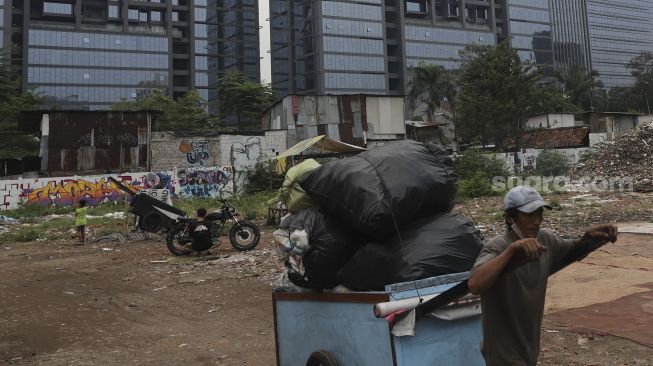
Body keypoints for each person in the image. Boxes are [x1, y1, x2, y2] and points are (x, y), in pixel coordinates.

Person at [468, 186, 618, 366]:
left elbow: (570, 251)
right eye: (529, 215)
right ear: (510, 218)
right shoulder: (498, 246)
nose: (537, 221)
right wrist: (512, 251)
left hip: (529, 347)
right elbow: (475, 284)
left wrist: (589, 238)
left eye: (539, 214)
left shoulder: (544, 239)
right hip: (503, 354)